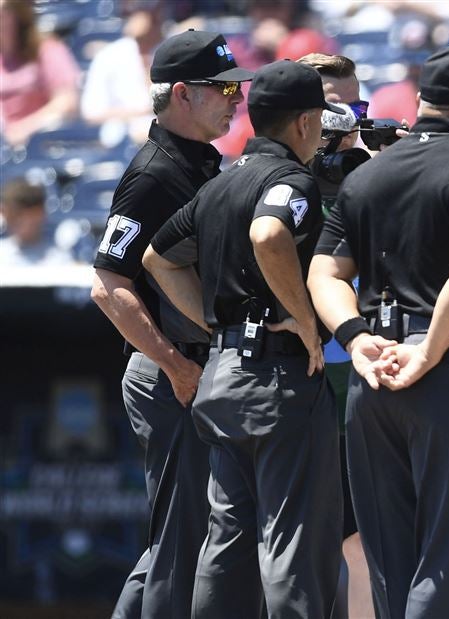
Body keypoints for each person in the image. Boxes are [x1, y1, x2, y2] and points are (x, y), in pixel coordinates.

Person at [306, 44, 449, 618]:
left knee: (389, 564)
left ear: (423, 101)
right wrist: (429, 347)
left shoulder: (370, 173)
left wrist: (353, 338)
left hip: (372, 372)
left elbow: (323, 273)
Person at [142, 59, 343, 618]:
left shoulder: (222, 181)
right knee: (292, 543)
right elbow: (269, 231)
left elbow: (159, 259)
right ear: (304, 123)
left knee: (227, 541)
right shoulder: (291, 179)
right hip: (277, 380)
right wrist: (305, 321)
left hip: (224, 375)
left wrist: (215, 325)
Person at [88, 29, 251, 619]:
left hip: (192, 366)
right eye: (225, 87)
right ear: (183, 93)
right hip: (170, 371)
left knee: (188, 538)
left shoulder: (203, 160)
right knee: (181, 542)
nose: (237, 98)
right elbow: (108, 287)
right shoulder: (153, 174)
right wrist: (176, 364)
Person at [295, 51, 374, 619]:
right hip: (289, 371)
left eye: (356, 108)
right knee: (288, 534)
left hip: (357, 366)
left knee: (363, 535)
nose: (345, 124)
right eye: (332, 113)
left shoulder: (376, 176)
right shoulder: (272, 179)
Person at [79, 0, 165, 142]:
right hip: (121, 142)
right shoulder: (109, 55)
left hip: (167, 140)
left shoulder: (175, 51)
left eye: (147, 7)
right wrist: (138, 112)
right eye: (136, 8)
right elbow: (91, 113)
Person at [0, 0, 80, 146]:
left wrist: (24, 128)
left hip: (42, 142)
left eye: (3, 14)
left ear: (19, 15)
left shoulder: (48, 50)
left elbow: (66, 102)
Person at [0, 178, 73, 267]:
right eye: (9, 215)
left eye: (17, 214)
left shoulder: (60, 259)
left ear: (39, 213)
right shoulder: (2, 253)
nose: (11, 220)